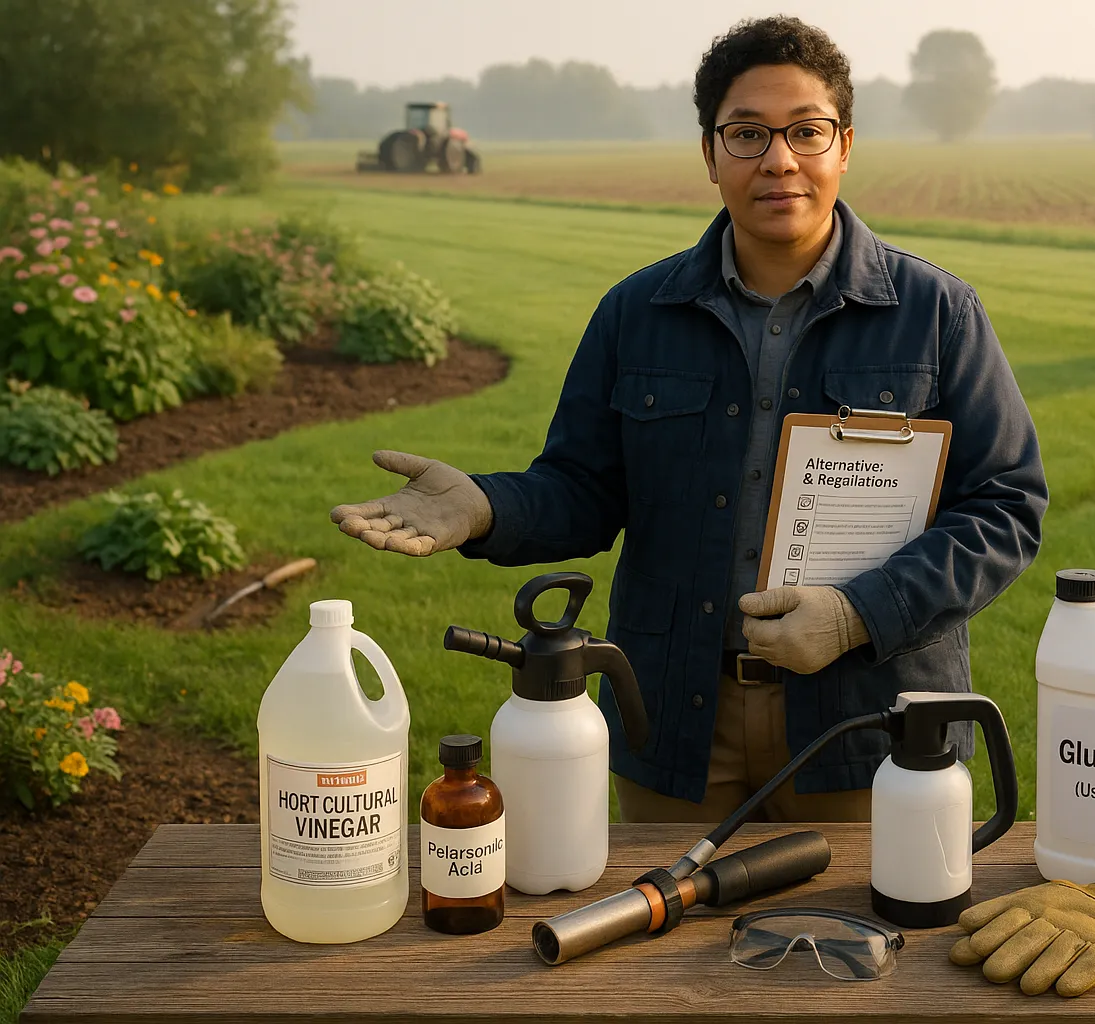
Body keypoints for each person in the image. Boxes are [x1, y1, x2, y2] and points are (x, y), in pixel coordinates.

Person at [330, 16, 1047, 824]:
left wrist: (856, 615)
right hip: (672, 719)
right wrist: (485, 508)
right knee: (657, 941)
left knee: (856, 941)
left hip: (868, 724)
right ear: (710, 154)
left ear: (844, 146)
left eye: (806, 132)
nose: (779, 159)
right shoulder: (638, 312)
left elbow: (1006, 507)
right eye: (747, 134)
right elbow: (584, 488)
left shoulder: (937, 315)